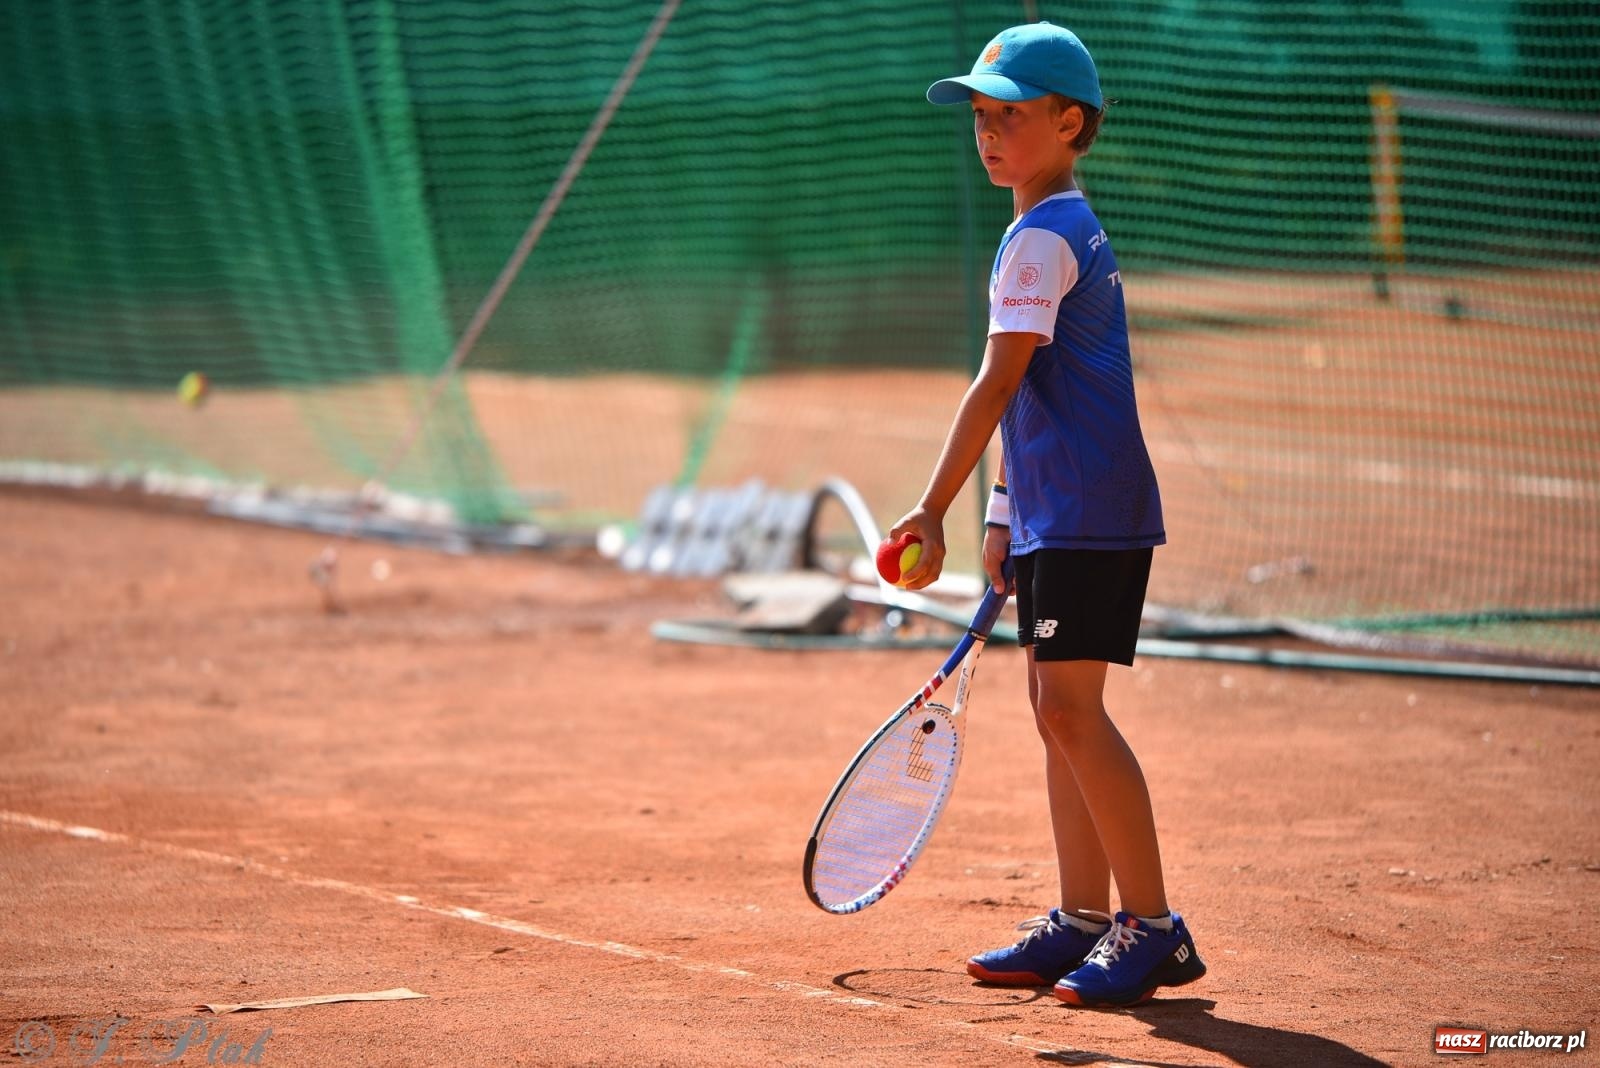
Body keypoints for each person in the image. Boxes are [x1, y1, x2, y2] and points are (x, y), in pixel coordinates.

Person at [890, 21, 1206, 1008]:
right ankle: (1079, 918)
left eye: (1010, 116)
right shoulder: (1058, 222)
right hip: (1066, 506)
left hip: (1084, 508)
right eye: (980, 116)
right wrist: (998, 509)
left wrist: (929, 508)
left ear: (1070, 122)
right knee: (1054, 714)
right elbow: (1033, 396)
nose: (988, 133)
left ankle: (1152, 928)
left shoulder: (1040, 237)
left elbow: (995, 384)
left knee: (1070, 712)